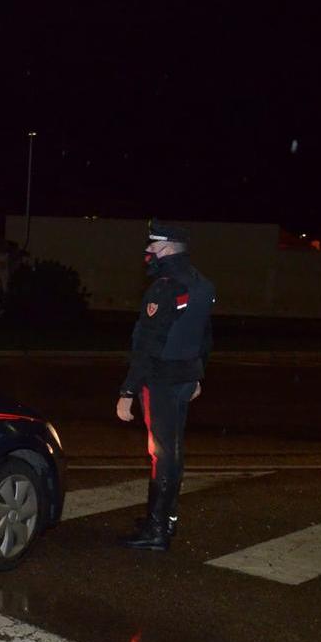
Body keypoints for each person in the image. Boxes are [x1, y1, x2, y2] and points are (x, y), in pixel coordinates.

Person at [116, 219, 215, 551]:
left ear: (169, 249)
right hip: (185, 378)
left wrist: (127, 391)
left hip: (160, 380)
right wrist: (198, 375)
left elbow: (148, 344)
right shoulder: (201, 283)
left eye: (153, 246)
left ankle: (156, 530)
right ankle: (165, 520)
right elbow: (204, 337)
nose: (147, 252)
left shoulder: (165, 286)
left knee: (161, 453)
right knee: (173, 450)